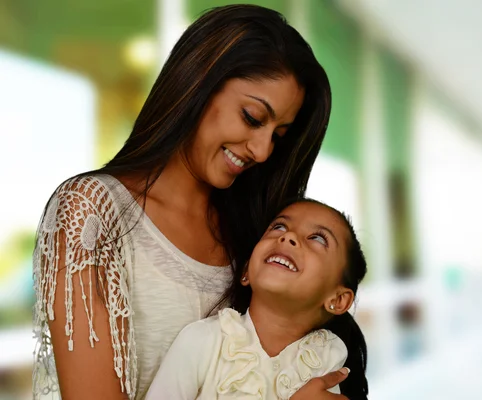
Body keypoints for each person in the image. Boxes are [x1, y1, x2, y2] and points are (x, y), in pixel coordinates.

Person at [32, 5, 345, 400]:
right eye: (252, 117)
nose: (264, 152)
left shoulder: (258, 236)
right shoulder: (91, 212)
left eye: (278, 135)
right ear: (197, 83)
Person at [145, 199, 368, 400]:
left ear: (338, 300)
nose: (288, 236)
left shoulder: (327, 361)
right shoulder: (201, 342)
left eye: (318, 238)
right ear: (246, 272)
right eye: (279, 226)